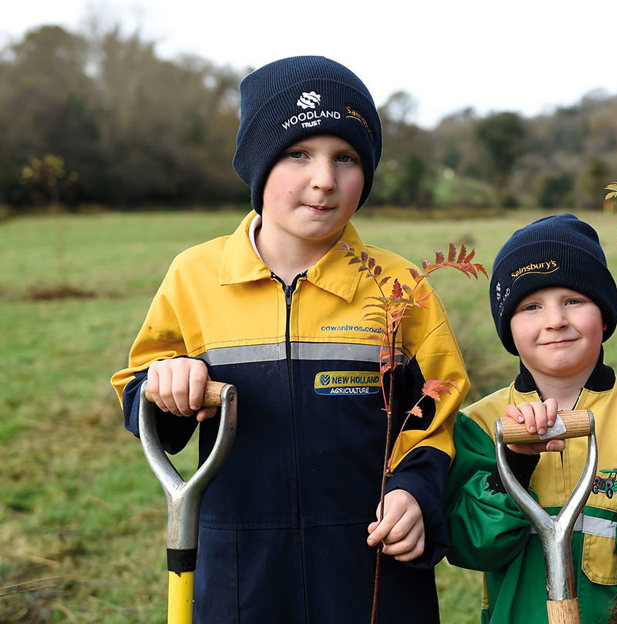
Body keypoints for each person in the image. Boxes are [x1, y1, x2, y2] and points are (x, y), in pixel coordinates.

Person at [110, 56, 469, 623]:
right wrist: (164, 387)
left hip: (373, 572)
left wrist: (417, 494)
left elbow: (438, 415)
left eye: (345, 158)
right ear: (257, 162)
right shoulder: (194, 277)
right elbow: (146, 403)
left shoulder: (401, 287)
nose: (323, 179)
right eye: (298, 153)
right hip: (240, 575)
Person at [446, 214, 617, 623]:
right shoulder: (483, 425)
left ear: (604, 316)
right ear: (507, 328)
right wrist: (512, 462)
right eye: (531, 306)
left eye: (573, 300)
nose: (555, 320)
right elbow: (471, 545)